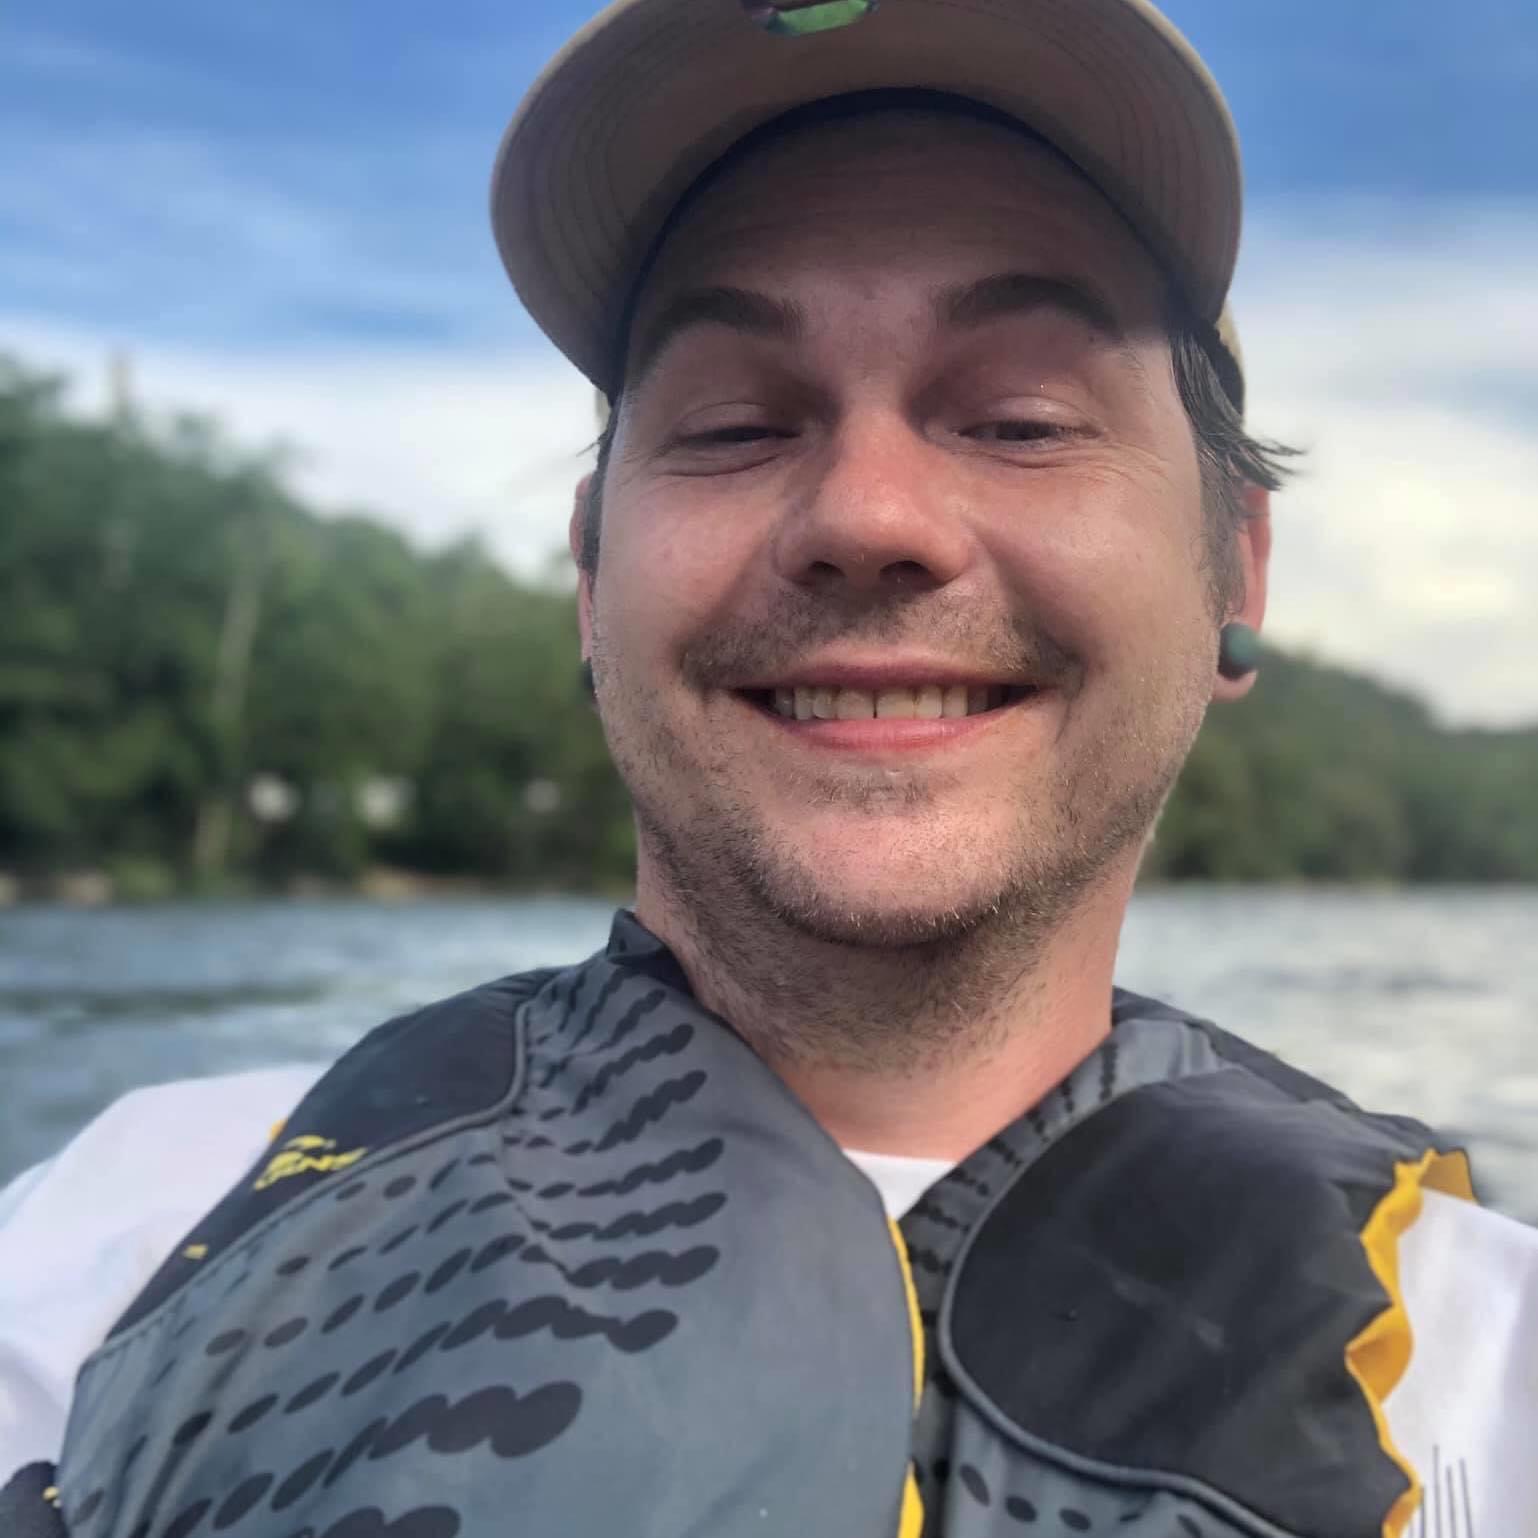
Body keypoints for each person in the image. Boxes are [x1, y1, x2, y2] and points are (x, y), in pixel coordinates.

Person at [3, 1, 1535, 1534]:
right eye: (735, 425)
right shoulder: (112, 1251)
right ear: (591, 579)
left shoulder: (1494, 1368)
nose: (867, 514)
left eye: (1019, 420)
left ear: (1235, 570)